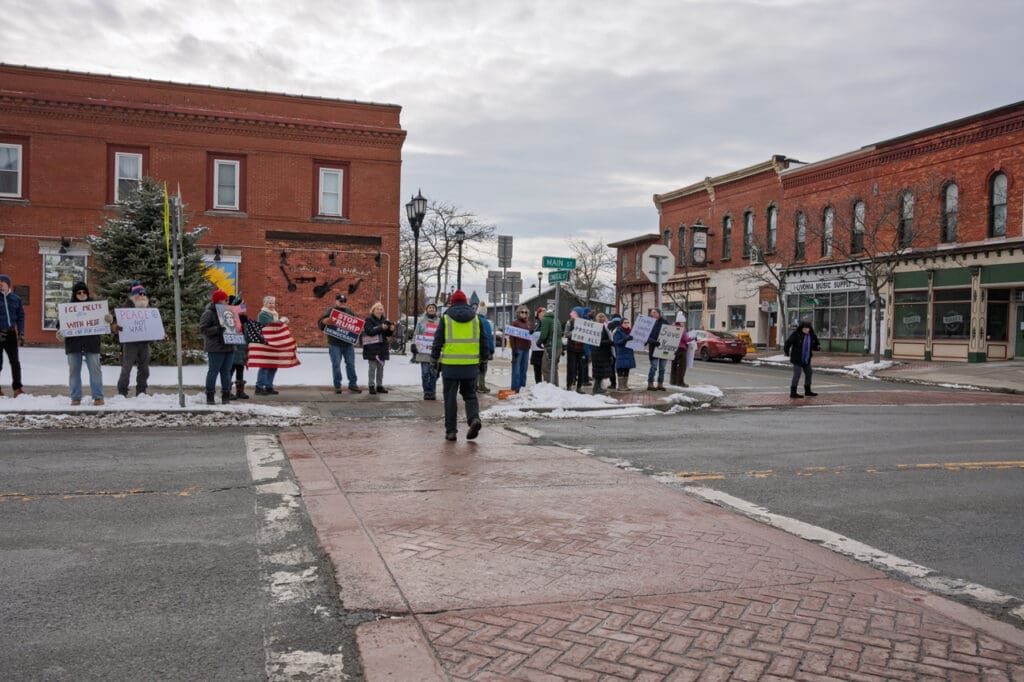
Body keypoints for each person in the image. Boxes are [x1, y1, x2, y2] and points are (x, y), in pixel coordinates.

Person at [430, 289, 488, 441]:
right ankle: (474, 419)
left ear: (452, 303)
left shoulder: (446, 318)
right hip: (470, 365)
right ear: (466, 303)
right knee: (470, 395)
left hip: (450, 366)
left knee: (450, 398)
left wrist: (434, 359)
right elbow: (484, 341)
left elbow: (438, 341)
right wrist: (483, 360)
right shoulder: (476, 319)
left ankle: (451, 432)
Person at [57, 281, 107, 406]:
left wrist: (108, 319)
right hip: (73, 344)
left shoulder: (95, 307)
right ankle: (75, 397)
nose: (82, 294)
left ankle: (98, 396)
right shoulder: (68, 309)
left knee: (95, 370)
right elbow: (60, 325)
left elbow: (104, 321)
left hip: (92, 343)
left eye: (84, 292)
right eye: (79, 292)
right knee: (74, 371)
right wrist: (59, 332)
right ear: (75, 294)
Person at [113, 281, 155, 397]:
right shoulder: (126, 308)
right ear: (133, 295)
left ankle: (141, 391)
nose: (142, 296)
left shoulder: (148, 309)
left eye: (143, 294)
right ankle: (122, 391)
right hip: (130, 343)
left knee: (144, 369)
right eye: (139, 294)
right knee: (126, 368)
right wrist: (116, 327)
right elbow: (115, 323)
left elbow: (154, 325)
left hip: (144, 343)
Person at [318, 293, 362, 394]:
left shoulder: (349, 311)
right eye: (340, 301)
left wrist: (359, 331)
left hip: (348, 345)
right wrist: (325, 321)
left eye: (344, 301)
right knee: (336, 364)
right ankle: (337, 386)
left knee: (351, 364)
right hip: (334, 344)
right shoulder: (331, 311)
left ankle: (353, 385)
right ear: (336, 301)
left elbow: (355, 326)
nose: (342, 303)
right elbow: (320, 323)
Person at [199, 289, 236, 404]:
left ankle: (226, 395)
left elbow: (234, 326)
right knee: (213, 371)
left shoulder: (229, 312)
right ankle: (210, 395)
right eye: (225, 299)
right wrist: (217, 329)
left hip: (229, 346)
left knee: (226, 372)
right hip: (216, 347)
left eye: (227, 299)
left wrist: (239, 324)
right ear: (218, 301)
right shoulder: (209, 313)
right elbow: (203, 329)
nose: (227, 301)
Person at [254, 295, 288, 395]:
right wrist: (281, 321)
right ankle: (259, 387)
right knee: (265, 365)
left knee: (273, 365)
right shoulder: (263, 314)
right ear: (265, 304)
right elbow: (272, 326)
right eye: (270, 303)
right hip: (266, 342)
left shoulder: (274, 314)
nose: (272, 305)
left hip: (274, 342)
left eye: (273, 303)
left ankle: (269, 386)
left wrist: (283, 323)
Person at [0, 273, 26, 397]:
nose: (0, 284)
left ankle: (17, 388)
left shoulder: (16, 299)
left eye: (2, 282)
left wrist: (21, 332)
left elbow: (21, 317)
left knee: (15, 362)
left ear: (8, 284)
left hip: (11, 334)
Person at [362, 301, 394, 395]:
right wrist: (381, 327)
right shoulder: (369, 319)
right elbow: (369, 332)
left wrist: (391, 330)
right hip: (372, 348)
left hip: (382, 348)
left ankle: (379, 386)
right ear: (373, 310)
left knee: (381, 368)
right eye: (377, 309)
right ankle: (371, 385)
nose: (379, 311)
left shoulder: (385, 320)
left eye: (381, 309)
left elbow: (387, 334)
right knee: (372, 368)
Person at [784, 319, 821, 399]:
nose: (806, 330)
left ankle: (807, 390)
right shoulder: (796, 334)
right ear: (801, 328)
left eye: (808, 328)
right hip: (797, 358)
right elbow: (788, 343)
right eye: (805, 328)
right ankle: (793, 392)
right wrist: (786, 352)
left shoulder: (811, 335)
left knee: (809, 373)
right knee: (797, 374)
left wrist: (817, 347)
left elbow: (815, 344)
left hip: (806, 358)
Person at [411, 302, 440, 400]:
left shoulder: (440, 322)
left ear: (436, 310)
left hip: (435, 353)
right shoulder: (421, 321)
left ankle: (432, 392)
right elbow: (416, 334)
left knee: (434, 374)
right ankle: (426, 392)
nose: (431, 309)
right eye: (430, 307)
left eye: (433, 308)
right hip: (423, 352)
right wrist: (413, 344)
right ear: (427, 310)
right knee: (425, 373)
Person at [228, 295, 250, 399]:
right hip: (233, 349)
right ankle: (227, 391)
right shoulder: (230, 318)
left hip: (242, 349)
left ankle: (240, 391)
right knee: (230, 371)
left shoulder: (244, 320)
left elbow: (246, 334)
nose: (243, 307)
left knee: (240, 370)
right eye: (241, 305)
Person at [589, 312, 615, 394]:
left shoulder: (604, 327)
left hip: (601, 353)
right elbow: (598, 341)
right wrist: (609, 341)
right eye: (600, 317)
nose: (601, 318)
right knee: (598, 372)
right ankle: (596, 388)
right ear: (597, 318)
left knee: (600, 372)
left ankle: (598, 387)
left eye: (603, 317)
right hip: (599, 353)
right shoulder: (597, 327)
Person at [508, 305, 533, 392]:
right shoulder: (515, 323)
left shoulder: (529, 323)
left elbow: (530, 336)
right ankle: (515, 388)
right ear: (518, 313)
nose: (524, 313)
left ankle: (522, 386)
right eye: (522, 312)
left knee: (524, 368)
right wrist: (513, 349)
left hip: (526, 349)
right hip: (518, 349)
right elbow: (511, 337)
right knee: (516, 369)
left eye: (526, 312)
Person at [563, 307, 588, 393]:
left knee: (581, 368)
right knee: (571, 368)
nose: (574, 315)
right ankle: (569, 385)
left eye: (576, 313)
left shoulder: (585, 323)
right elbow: (566, 334)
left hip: (581, 349)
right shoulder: (569, 322)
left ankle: (579, 387)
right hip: (572, 348)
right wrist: (575, 331)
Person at [473, 300, 495, 393]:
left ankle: (474, 386)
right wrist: (491, 349)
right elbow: (488, 337)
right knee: (483, 368)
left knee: (475, 368)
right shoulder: (486, 322)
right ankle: (481, 386)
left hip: (473, 349)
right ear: (485, 312)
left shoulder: (473, 320)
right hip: (483, 349)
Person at [537, 307, 562, 386]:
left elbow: (543, 335)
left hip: (550, 347)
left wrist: (539, 342)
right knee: (554, 368)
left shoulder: (545, 320)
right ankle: (556, 386)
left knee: (546, 368)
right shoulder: (556, 319)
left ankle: (549, 387)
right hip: (558, 347)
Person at [669, 312, 694, 388]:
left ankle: (673, 381)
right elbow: (686, 339)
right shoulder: (681, 329)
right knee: (682, 366)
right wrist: (693, 338)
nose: (684, 324)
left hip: (673, 349)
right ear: (680, 322)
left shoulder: (672, 327)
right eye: (683, 322)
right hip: (681, 349)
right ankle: (680, 382)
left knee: (674, 365)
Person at [612, 316, 636, 392]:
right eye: (625, 322)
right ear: (621, 323)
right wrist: (625, 339)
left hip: (629, 352)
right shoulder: (618, 331)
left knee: (626, 369)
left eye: (628, 322)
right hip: (621, 352)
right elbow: (616, 342)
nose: (626, 324)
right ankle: (620, 386)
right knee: (620, 369)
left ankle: (625, 385)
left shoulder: (630, 331)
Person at [646, 308, 668, 390]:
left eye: (654, 312)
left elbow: (670, 333)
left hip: (664, 348)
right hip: (653, 348)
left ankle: (660, 384)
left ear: (659, 313)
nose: (653, 314)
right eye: (652, 313)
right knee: (653, 367)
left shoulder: (665, 322)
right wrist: (653, 341)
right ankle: (650, 384)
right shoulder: (649, 323)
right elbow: (645, 336)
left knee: (662, 368)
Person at [529, 306, 546, 384]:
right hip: (536, 349)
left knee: (545, 368)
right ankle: (538, 383)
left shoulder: (547, 322)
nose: (543, 314)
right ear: (538, 314)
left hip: (544, 349)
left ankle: (546, 385)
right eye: (541, 312)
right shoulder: (535, 323)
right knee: (537, 368)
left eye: (544, 312)